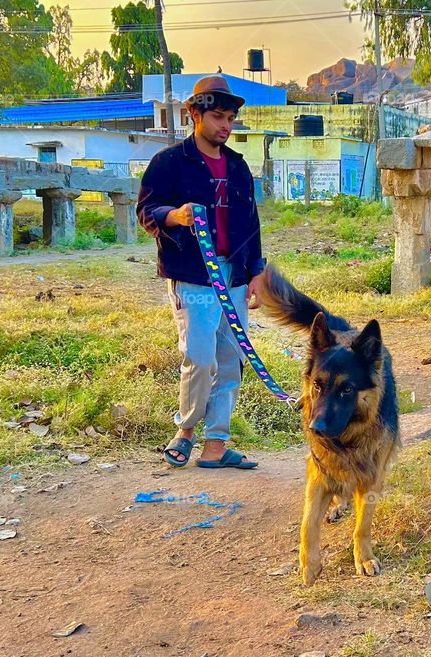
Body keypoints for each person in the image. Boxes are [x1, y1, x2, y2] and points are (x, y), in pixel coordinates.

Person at [137, 75, 264, 470]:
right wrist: (174, 216)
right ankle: (186, 430)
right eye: (217, 117)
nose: (225, 126)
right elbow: (147, 209)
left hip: (235, 275)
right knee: (199, 356)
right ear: (194, 114)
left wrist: (256, 272)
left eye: (230, 118)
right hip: (193, 275)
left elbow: (252, 223)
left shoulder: (240, 168)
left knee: (230, 359)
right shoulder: (169, 163)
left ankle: (216, 444)